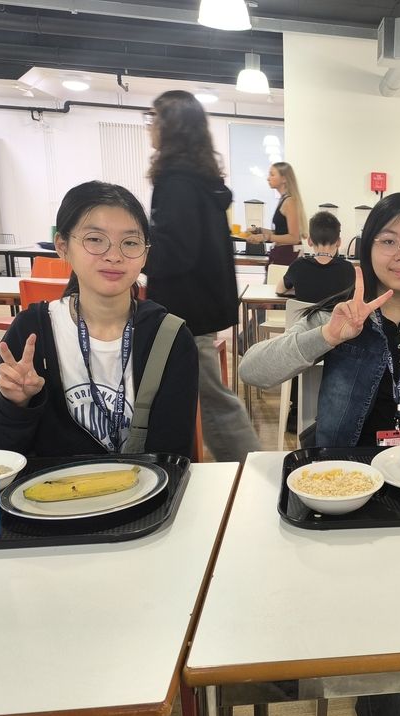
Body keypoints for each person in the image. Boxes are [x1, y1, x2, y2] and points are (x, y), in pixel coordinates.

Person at [240, 192, 400, 716]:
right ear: (367, 247)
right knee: (389, 616)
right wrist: (326, 336)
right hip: (344, 493)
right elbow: (254, 371)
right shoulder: (338, 313)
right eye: (389, 240)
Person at [0, 181, 197, 458]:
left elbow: (172, 454)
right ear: (62, 246)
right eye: (95, 239)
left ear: (145, 254)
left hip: (143, 483)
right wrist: (16, 404)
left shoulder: (168, 338)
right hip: (51, 485)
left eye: (130, 243)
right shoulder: (31, 334)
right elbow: (3, 451)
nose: (114, 256)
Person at [142, 89, 260, 463]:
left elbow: (177, 250)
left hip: (184, 309)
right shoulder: (198, 179)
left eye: (153, 118)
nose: (149, 127)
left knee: (212, 400)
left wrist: (136, 252)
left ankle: (252, 472)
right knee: (201, 396)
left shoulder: (177, 181)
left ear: (171, 126)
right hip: (196, 305)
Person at [279, 210, 355, 303]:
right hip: (335, 313)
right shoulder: (348, 269)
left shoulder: (298, 266)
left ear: (310, 241)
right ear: (338, 242)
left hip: (305, 313)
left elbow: (279, 290)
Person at [247, 161, 308, 266]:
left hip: (287, 256)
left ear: (284, 179)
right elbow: (281, 232)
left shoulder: (289, 201)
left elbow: (294, 238)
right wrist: (259, 230)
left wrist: (265, 237)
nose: (268, 178)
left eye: (272, 174)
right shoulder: (283, 200)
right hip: (281, 254)